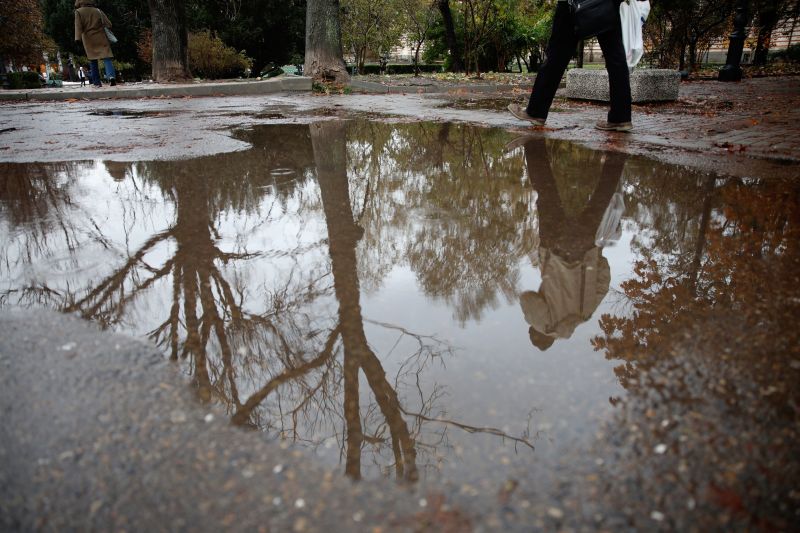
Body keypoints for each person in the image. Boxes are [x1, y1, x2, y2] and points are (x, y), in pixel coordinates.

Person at [516, 137, 626, 350]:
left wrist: (596, 256)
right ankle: (533, 145)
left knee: (601, 198)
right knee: (547, 194)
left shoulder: (585, 315)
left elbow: (603, 281)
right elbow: (528, 299)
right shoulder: (544, 325)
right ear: (538, 332)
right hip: (554, 245)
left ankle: (618, 154)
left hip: (585, 248)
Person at [508, 0, 637, 132]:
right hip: (607, 4)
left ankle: (536, 111)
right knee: (615, 56)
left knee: (557, 54)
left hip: (574, 5)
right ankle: (621, 117)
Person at [74, 0, 116, 88]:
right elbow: (109, 24)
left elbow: (78, 27)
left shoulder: (78, 12)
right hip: (101, 37)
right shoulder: (98, 10)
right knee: (107, 58)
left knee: (93, 60)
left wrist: (77, 39)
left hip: (89, 39)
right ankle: (111, 77)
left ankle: (97, 82)